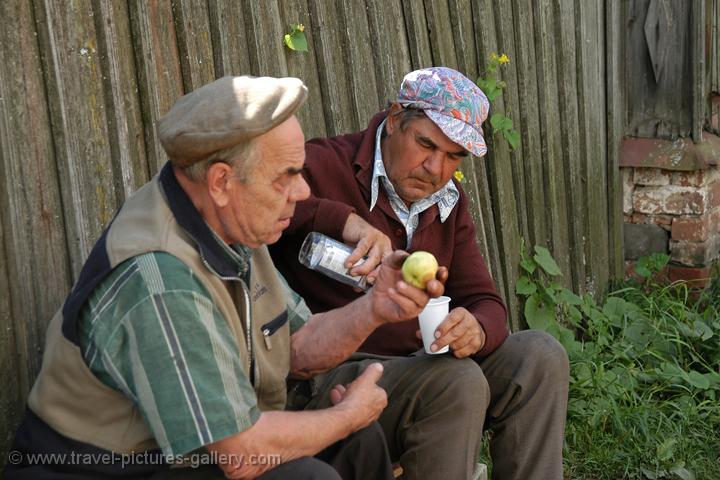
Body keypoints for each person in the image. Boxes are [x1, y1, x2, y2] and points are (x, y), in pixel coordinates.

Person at [5, 75, 447, 480]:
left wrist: (374, 308)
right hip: (100, 470)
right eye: (287, 176)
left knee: (360, 445)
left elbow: (296, 345)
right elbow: (240, 455)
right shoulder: (160, 277)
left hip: (189, 451)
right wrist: (346, 415)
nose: (304, 192)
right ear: (221, 182)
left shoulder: (231, 222)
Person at [270, 67, 570, 480]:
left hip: (422, 366)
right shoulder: (325, 164)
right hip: (336, 373)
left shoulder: (447, 201)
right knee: (454, 380)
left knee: (539, 354)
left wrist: (478, 328)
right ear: (395, 119)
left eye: (453, 157)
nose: (435, 168)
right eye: (425, 144)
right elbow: (258, 201)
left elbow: (484, 299)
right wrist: (348, 222)